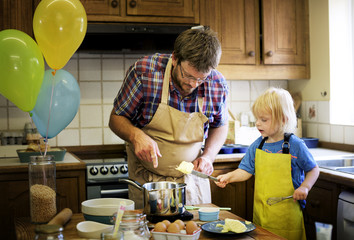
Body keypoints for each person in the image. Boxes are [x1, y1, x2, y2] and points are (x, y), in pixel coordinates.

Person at [109, 27, 229, 208]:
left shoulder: (217, 84)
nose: (192, 84)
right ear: (175, 58)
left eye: (201, 79)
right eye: (187, 75)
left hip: (191, 181)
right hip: (147, 181)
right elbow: (116, 118)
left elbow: (220, 126)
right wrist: (136, 135)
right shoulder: (145, 73)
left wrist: (208, 157)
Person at [215, 87, 319, 240]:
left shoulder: (295, 145)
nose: (257, 124)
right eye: (257, 118)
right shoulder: (258, 145)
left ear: (283, 119)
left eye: (263, 120)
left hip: (288, 221)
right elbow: (245, 170)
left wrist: (305, 187)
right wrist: (228, 177)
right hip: (261, 218)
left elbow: (313, 170)